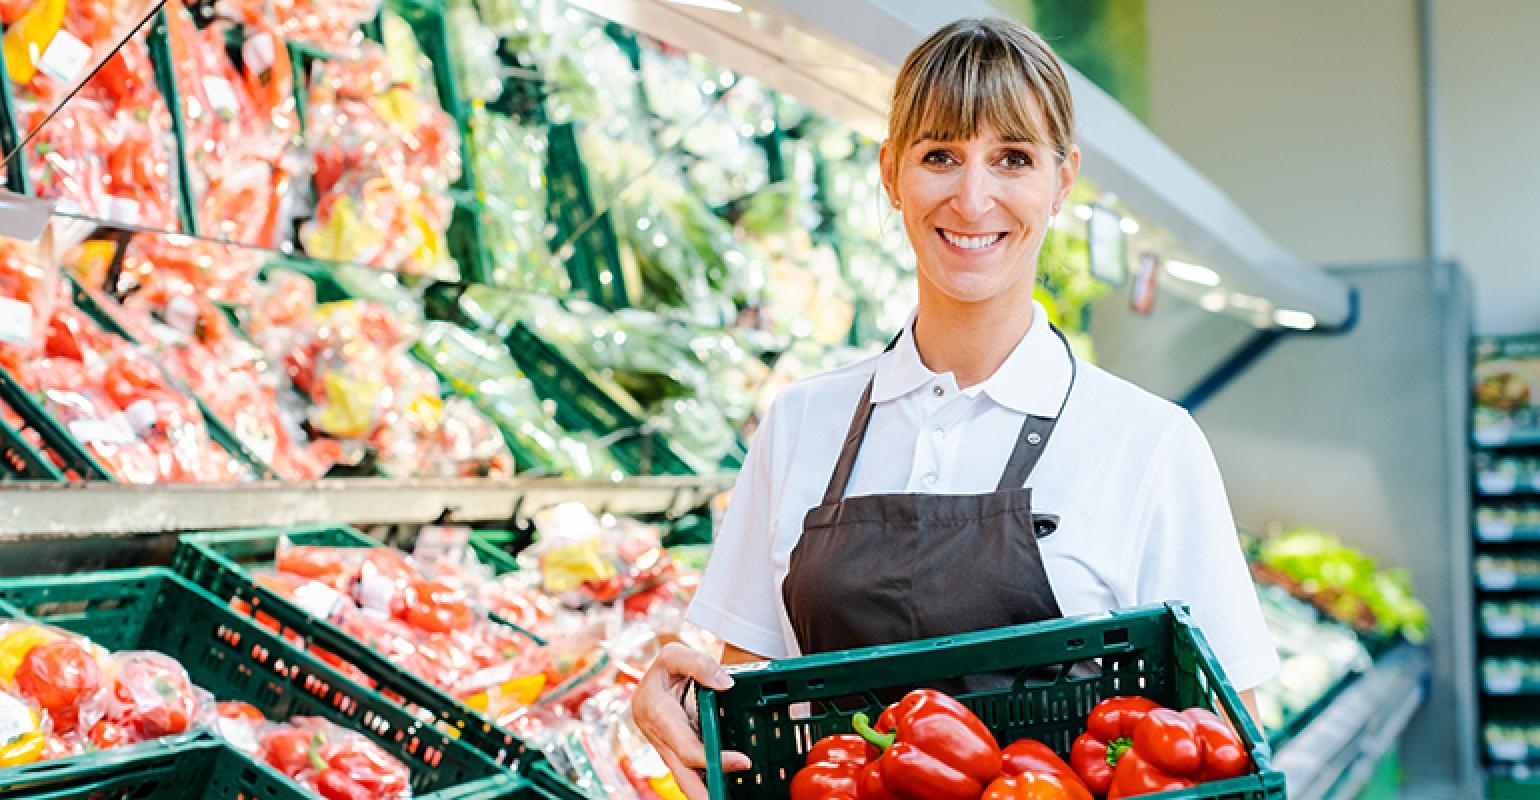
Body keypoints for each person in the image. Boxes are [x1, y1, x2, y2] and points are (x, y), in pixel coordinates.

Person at [632, 16, 1279, 797]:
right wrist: (681, 707)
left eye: (1012, 158)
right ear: (890, 173)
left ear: (1063, 180)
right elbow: (753, 716)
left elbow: (1226, 745)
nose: (973, 199)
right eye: (940, 155)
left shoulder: (1147, 443)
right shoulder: (801, 424)